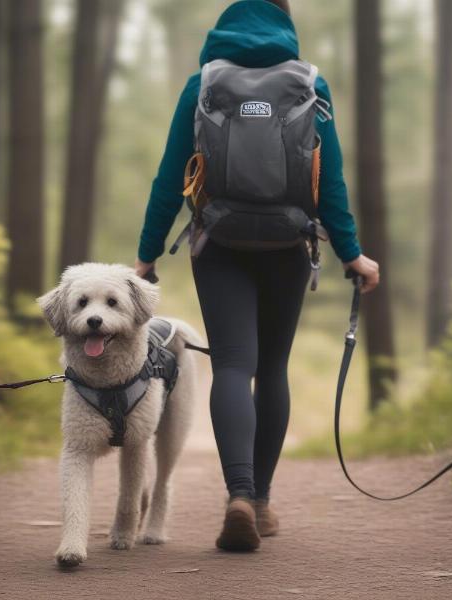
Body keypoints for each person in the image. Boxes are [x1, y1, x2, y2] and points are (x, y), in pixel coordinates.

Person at [135, 0, 379, 551]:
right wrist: (352, 253)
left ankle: (239, 493)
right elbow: (329, 180)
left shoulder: (203, 84)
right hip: (288, 243)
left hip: (218, 243)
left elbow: (171, 175)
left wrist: (146, 255)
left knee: (233, 364)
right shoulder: (309, 84)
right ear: (285, 22)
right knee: (271, 368)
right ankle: (259, 501)